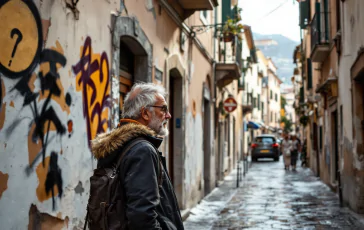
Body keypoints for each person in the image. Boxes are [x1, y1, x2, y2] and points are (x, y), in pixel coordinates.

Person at [91, 83, 184, 229]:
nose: (168, 115)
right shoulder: (142, 150)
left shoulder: (118, 145)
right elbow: (142, 217)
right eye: (164, 109)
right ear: (145, 113)